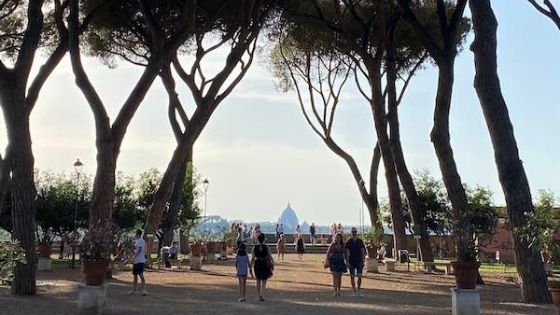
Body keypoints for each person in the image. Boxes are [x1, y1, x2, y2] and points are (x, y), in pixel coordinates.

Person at [251, 233, 273, 301]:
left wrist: (250, 266)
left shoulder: (254, 247)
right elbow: (269, 256)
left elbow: (253, 258)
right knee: (264, 281)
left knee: (258, 280)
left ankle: (258, 295)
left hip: (257, 264)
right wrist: (272, 263)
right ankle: (262, 294)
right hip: (264, 264)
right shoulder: (267, 247)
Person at [325, 233, 347, 297]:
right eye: (337, 237)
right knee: (334, 276)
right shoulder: (332, 245)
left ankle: (339, 290)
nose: (338, 239)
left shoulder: (343, 246)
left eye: (339, 238)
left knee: (339, 277)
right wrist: (327, 260)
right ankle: (335, 290)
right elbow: (328, 253)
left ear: (341, 239)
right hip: (333, 262)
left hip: (340, 262)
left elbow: (346, 254)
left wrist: (347, 262)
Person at [346, 227, 366, 296]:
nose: (354, 233)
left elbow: (363, 250)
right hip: (351, 260)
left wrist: (363, 260)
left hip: (359, 260)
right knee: (352, 276)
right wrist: (347, 262)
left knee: (359, 276)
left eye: (355, 232)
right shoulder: (349, 242)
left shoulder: (360, 241)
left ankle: (359, 290)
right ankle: (354, 291)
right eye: (353, 232)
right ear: (351, 233)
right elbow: (347, 252)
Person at [129, 229, 148, 295]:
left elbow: (139, 250)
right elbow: (134, 250)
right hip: (136, 261)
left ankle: (143, 289)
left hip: (140, 260)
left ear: (137, 234)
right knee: (135, 275)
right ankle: (134, 289)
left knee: (141, 275)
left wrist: (134, 256)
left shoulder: (141, 241)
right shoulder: (136, 241)